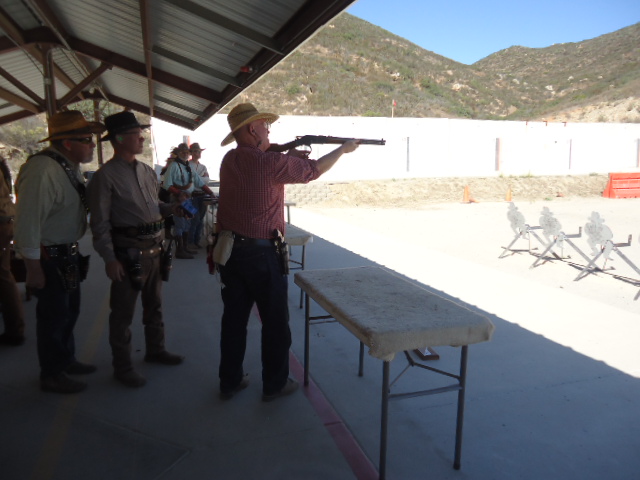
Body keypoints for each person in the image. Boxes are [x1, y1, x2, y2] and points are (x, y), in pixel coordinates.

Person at [215, 103, 358, 401]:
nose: (268, 131)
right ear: (252, 129)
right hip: (262, 256)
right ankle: (275, 384)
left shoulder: (229, 160)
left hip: (231, 253)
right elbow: (313, 170)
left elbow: (263, 163)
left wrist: (286, 155)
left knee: (234, 321)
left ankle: (229, 381)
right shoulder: (269, 163)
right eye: (265, 126)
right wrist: (342, 150)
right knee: (275, 323)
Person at [87, 111, 185, 388]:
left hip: (154, 248)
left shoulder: (146, 171)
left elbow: (154, 207)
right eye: (135, 134)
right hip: (128, 252)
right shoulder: (105, 177)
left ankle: (156, 349)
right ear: (119, 139)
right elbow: (100, 223)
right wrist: (109, 258)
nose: (142, 138)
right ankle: (123, 366)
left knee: (154, 305)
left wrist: (172, 208)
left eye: (141, 134)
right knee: (122, 313)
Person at [13, 110, 103, 393]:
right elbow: (27, 222)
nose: (92, 144)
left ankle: (65, 360)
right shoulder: (42, 169)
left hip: (66, 254)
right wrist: (33, 268)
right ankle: (51, 374)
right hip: (49, 257)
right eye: (86, 139)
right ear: (67, 143)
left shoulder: (66, 165)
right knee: (53, 317)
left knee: (69, 311)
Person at [163, 143, 214, 259]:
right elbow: (166, 184)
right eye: (183, 152)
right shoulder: (173, 166)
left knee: (188, 222)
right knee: (180, 223)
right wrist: (179, 193)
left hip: (188, 199)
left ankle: (185, 247)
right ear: (178, 153)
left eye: (187, 152)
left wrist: (210, 193)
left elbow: (199, 182)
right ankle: (180, 250)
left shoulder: (188, 166)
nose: (186, 154)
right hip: (178, 199)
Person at [0, 155, 25, 346]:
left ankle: (15, 329)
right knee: (4, 274)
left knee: (3, 275)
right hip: (5, 220)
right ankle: (15, 328)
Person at [187, 142, 210, 249]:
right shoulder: (187, 165)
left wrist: (197, 179)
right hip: (191, 196)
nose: (198, 153)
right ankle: (190, 242)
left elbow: (206, 180)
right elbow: (192, 180)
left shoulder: (203, 166)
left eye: (199, 151)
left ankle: (197, 241)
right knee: (194, 219)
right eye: (196, 151)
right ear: (191, 153)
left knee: (200, 219)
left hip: (202, 195)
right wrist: (201, 178)